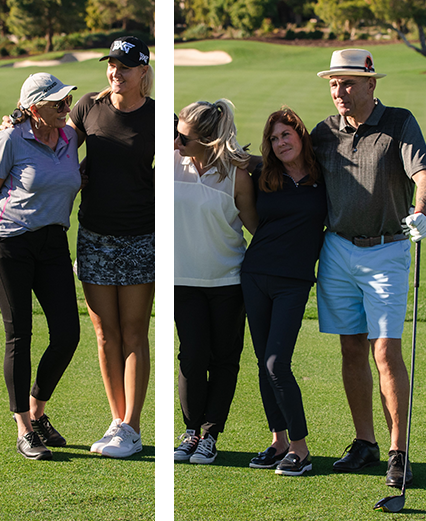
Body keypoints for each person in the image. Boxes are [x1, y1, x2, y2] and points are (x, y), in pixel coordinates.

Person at [311, 48, 426, 488]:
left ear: (371, 84)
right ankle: (364, 442)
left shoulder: (399, 123)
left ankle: (397, 450)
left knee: (385, 352)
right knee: (351, 348)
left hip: (386, 250)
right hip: (337, 249)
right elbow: (286, 170)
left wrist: (423, 212)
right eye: (333, 83)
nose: (339, 92)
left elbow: (423, 176)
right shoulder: (323, 133)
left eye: (348, 83)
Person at [0, 73, 82, 461]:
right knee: (20, 335)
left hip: (52, 242)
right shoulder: (9, 139)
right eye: (57, 103)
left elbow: (105, 102)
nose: (66, 107)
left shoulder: (69, 136)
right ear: (34, 108)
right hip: (8, 244)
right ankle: (23, 428)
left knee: (68, 333)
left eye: (67, 100)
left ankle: (37, 412)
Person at [67, 36, 156, 459]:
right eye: (111, 65)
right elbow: (59, 145)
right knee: (105, 335)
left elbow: (190, 155)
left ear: (143, 72)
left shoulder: (160, 115)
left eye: (124, 66)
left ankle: (132, 427)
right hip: (94, 235)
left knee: (135, 331)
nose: (115, 72)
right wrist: (16, 125)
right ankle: (117, 420)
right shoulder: (88, 107)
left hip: (141, 235)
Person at [241, 107, 327, 476]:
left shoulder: (324, 175)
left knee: (277, 363)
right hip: (256, 273)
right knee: (264, 364)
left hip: (294, 282)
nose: (279, 144)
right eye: (273, 139)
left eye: (285, 136)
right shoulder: (263, 172)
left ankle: (301, 449)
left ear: (300, 135)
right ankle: (278, 442)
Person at [173, 99, 257, 464]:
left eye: (183, 139)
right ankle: (190, 431)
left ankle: (210, 434)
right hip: (181, 280)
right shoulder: (171, 163)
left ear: (208, 140)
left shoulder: (237, 176)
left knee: (224, 359)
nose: (176, 143)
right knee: (191, 357)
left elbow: (256, 228)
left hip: (227, 281)